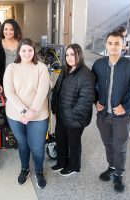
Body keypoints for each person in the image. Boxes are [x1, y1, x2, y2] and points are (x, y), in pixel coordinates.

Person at [92, 31, 130, 192]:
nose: (113, 46)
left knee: (120, 147)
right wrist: (95, 101)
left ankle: (119, 174)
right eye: (110, 43)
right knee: (108, 144)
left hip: (121, 117)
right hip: (103, 116)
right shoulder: (99, 64)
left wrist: (126, 107)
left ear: (123, 46)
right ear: (106, 45)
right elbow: (91, 87)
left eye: (117, 43)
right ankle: (111, 167)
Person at [3, 38, 50, 189]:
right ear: (19, 52)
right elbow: (9, 93)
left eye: (30, 50)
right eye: (23, 50)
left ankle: (39, 171)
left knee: (37, 145)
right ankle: (25, 168)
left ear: (34, 51)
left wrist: (32, 111)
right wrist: (24, 111)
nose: (27, 53)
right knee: (23, 144)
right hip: (15, 114)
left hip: (38, 115)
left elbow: (43, 92)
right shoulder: (11, 68)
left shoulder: (41, 67)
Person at [50, 44, 95, 176]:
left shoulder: (86, 74)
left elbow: (85, 101)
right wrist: (54, 108)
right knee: (60, 139)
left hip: (75, 118)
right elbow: (56, 90)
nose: (69, 58)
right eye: (67, 55)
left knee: (73, 143)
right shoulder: (65, 69)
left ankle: (74, 166)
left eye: (73, 54)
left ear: (79, 55)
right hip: (61, 114)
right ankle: (61, 162)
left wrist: (70, 114)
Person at [0, 19, 22, 87]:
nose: (8, 32)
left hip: (20, 81)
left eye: (11, 29)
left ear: (15, 30)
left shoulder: (22, 44)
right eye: (5, 29)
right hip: (2, 82)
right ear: (2, 30)